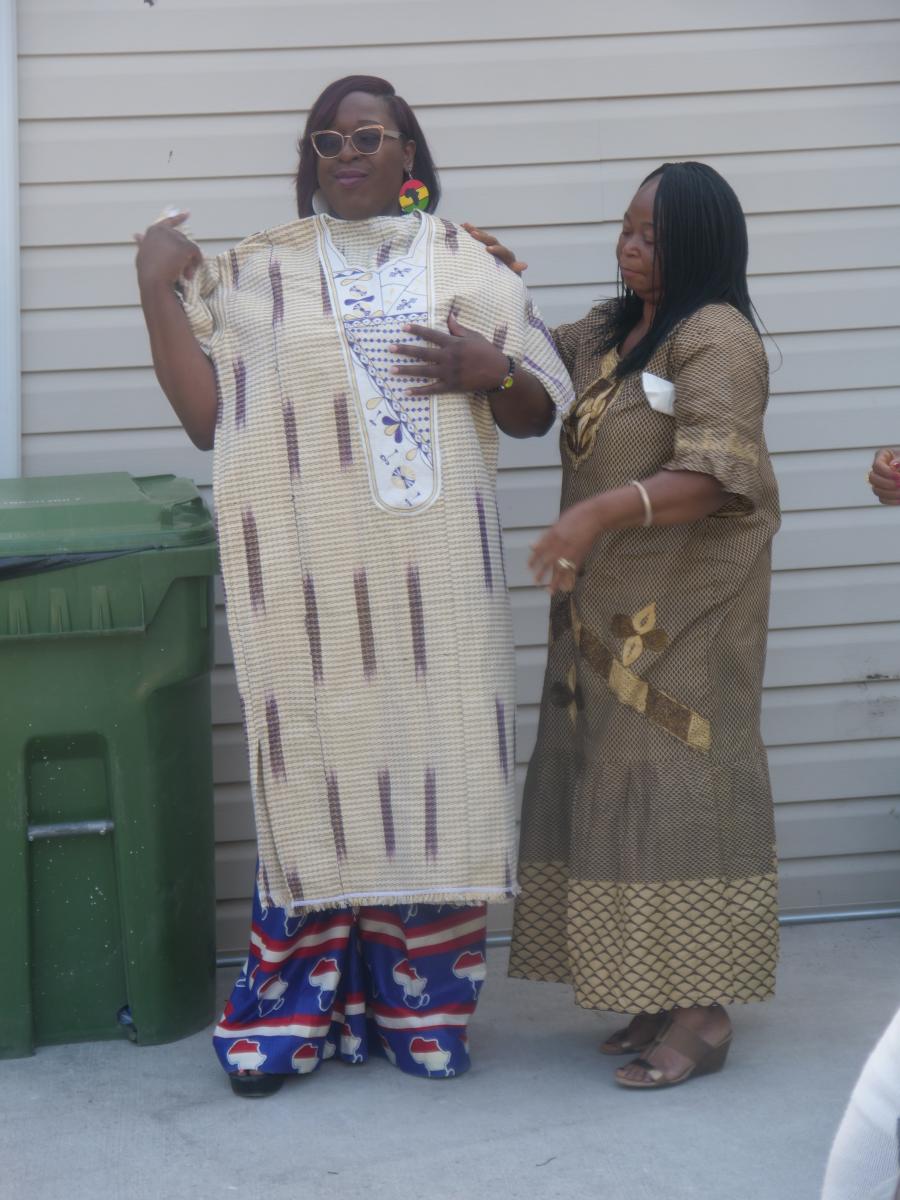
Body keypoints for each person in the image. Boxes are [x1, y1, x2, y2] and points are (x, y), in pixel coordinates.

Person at [134, 74, 574, 1097]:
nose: (346, 153)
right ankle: (288, 1021)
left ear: (407, 152)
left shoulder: (469, 263)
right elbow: (206, 421)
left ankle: (422, 1015)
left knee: (435, 777)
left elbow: (536, 412)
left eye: (368, 135)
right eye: (327, 139)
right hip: (313, 602)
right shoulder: (259, 275)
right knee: (316, 785)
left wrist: (492, 371)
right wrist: (155, 286)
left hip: (439, 597)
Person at [463, 162, 781, 1089]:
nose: (628, 245)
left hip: (689, 611)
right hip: (606, 611)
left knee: (677, 789)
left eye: (651, 234)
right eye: (626, 227)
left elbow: (717, 475)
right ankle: (655, 989)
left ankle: (703, 1013)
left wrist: (595, 514)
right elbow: (532, 401)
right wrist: (490, 298)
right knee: (610, 777)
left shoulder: (716, 338)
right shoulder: (610, 329)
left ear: (700, 243)